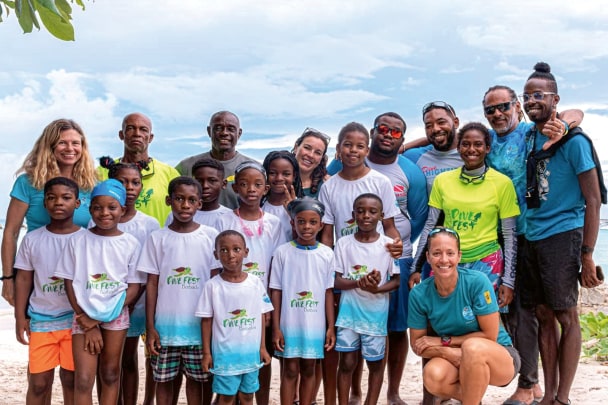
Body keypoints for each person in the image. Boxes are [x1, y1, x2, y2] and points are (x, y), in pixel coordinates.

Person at [482, 85, 583, 405]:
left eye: (503, 106)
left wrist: (566, 122)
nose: (497, 114)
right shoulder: (485, 142)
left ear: (517, 107)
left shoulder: (530, 132)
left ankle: (529, 385)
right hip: (504, 235)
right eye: (490, 110)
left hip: (539, 233)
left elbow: (575, 114)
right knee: (513, 312)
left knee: (531, 313)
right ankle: (534, 383)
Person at [327, 112, 428, 404]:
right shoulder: (334, 177)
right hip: (346, 263)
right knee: (352, 330)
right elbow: (327, 227)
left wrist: (397, 246)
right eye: (382, 128)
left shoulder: (398, 175)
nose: (388, 134)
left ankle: (392, 392)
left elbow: (408, 219)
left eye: (395, 132)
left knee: (393, 328)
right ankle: (355, 393)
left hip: (388, 259)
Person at [519, 62, 603, 405]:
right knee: (542, 315)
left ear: (555, 99)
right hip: (533, 234)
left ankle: (563, 397)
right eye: (527, 96)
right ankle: (548, 394)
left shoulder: (574, 140)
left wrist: (587, 254)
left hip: (564, 234)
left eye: (538, 95)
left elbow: (594, 199)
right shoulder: (531, 136)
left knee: (566, 314)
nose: (531, 101)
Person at [54, 179, 143, 405]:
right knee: (83, 379)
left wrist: (105, 316)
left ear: (122, 210)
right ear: (89, 209)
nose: (104, 213)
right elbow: (69, 282)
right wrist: (88, 321)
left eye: (112, 207)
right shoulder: (77, 241)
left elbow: (134, 287)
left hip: (116, 315)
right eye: (97, 207)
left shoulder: (130, 243)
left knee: (111, 374)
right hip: (82, 316)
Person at [408, 227, 521, 405]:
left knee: (472, 347)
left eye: (450, 253)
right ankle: (473, 399)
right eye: (436, 253)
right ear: (428, 257)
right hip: (457, 355)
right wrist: (447, 352)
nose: (444, 259)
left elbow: (490, 336)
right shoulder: (419, 294)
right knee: (433, 375)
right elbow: (417, 344)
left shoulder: (477, 282)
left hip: (499, 356)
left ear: (459, 256)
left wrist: (443, 341)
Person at [411, 123, 520, 303]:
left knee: (483, 323)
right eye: (465, 144)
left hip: (486, 261)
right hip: (447, 261)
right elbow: (430, 225)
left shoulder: (502, 183)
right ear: (459, 147)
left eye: (477, 144)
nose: (471, 149)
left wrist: (508, 281)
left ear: (487, 148)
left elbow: (509, 235)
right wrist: (416, 266)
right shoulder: (443, 181)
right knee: (444, 319)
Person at [139, 176, 219, 405]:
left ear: (199, 204)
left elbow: (215, 285)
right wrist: (150, 327)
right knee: (164, 382)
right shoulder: (157, 238)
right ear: (168, 201)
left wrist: (213, 326)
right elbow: (152, 284)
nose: (185, 205)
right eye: (179, 199)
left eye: (191, 200)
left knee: (200, 382)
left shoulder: (210, 237)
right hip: (165, 330)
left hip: (198, 329)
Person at [1, 118, 97, 306]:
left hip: (80, 276)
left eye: (75, 143)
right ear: (49, 146)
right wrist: (7, 278)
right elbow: (11, 232)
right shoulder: (28, 182)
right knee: (41, 332)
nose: (70, 148)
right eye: (62, 142)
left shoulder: (92, 185)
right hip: (37, 275)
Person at [215, 161, 283, 405]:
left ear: (265, 189)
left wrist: (268, 307)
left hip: (260, 300)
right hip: (231, 299)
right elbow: (216, 263)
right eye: (243, 184)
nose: (250, 189)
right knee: (232, 353)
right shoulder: (224, 220)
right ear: (235, 189)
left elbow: (276, 265)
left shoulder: (274, 222)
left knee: (261, 355)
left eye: (257, 184)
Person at [14, 177, 85, 405]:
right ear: (44, 203)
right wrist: (19, 316)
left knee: (71, 379)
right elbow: (24, 278)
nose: (58, 203)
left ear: (77, 203)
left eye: (66, 198)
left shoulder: (86, 239)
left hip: (76, 322)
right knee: (39, 383)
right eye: (51, 198)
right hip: (41, 319)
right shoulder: (33, 239)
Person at [99, 157, 160, 405]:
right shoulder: (99, 220)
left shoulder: (149, 224)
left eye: (135, 182)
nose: (130, 187)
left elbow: (150, 268)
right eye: (123, 182)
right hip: (104, 302)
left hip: (138, 302)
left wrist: (132, 300)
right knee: (107, 360)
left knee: (129, 358)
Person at [334, 193, 400, 405]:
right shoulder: (343, 244)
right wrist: (358, 283)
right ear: (353, 215)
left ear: (381, 215)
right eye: (360, 211)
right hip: (348, 315)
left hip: (375, 316)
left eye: (372, 212)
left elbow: (396, 281)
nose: (366, 216)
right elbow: (336, 281)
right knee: (347, 362)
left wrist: (376, 289)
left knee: (375, 364)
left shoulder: (389, 245)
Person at [270, 198, 336, 405]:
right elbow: (276, 291)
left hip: (314, 324)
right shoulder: (282, 252)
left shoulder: (326, 254)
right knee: (289, 369)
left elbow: (328, 292)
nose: (306, 227)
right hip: (289, 323)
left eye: (312, 222)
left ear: (321, 225)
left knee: (309, 367)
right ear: (292, 223)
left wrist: (330, 327)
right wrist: (276, 328)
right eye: (301, 221)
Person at [196, 230, 273, 405]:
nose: (230, 255)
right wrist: (207, 354)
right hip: (225, 358)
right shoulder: (212, 286)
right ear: (216, 254)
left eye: (236, 249)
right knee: (227, 398)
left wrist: (262, 348)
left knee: (247, 397)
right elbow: (206, 321)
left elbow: (261, 315)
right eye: (224, 250)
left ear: (246, 252)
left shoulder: (255, 283)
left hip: (251, 356)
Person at [98, 112, 180, 226]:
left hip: (156, 242)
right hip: (111, 241)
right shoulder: (101, 172)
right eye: (131, 128)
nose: (137, 134)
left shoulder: (170, 174)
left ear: (150, 137)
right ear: (121, 135)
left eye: (143, 129)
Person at [176, 111, 256, 209]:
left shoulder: (253, 168)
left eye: (230, 129)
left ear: (239, 133)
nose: (224, 133)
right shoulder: (186, 166)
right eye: (218, 128)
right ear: (209, 131)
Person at [403, 101, 463, 193]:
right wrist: (401, 148)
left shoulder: (474, 152)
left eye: (441, 122)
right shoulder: (414, 156)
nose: (435, 129)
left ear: (456, 122)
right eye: (429, 126)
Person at [165, 158, 231, 227]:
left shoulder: (230, 217)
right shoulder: (176, 215)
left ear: (224, 184)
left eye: (212, 180)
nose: (205, 186)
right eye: (199, 181)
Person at [262, 150, 302, 242]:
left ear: (294, 176)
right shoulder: (258, 206)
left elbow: (304, 241)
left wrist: (293, 214)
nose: (279, 178)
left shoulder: (301, 207)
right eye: (272, 173)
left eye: (286, 174)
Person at [291, 128, 331, 198]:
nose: (311, 155)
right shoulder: (276, 180)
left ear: (321, 158)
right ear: (296, 148)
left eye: (317, 153)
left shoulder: (327, 185)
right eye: (307, 148)